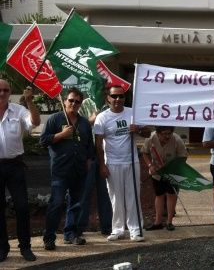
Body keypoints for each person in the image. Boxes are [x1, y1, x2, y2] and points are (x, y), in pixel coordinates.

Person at [40, 87, 94, 250]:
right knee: (56, 203)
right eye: (71, 100)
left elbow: (89, 145)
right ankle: (49, 237)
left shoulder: (84, 122)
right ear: (65, 101)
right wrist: (61, 135)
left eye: (77, 101)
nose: (74, 104)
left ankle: (71, 234)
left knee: (76, 203)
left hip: (79, 170)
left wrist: (89, 161)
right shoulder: (55, 119)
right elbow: (43, 140)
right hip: (61, 170)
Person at [94, 85, 149, 242]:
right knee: (116, 198)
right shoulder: (102, 117)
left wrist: (137, 129)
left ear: (125, 98)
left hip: (131, 161)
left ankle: (135, 230)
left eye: (121, 96)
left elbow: (147, 132)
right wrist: (102, 165)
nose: (118, 99)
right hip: (112, 162)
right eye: (114, 96)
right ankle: (118, 229)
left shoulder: (132, 113)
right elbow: (98, 144)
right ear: (108, 98)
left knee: (133, 196)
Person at [0, 81, 39, 261]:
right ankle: (2, 248)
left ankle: (25, 247)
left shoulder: (19, 110)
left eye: (6, 90)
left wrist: (30, 102)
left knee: (22, 207)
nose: (2, 93)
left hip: (15, 165)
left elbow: (35, 122)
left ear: (11, 92)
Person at [69, 93, 112, 237]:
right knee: (84, 194)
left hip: (105, 157)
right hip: (88, 157)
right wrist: (93, 118)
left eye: (103, 88)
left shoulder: (111, 106)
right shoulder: (85, 103)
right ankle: (78, 230)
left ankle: (108, 227)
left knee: (105, 194)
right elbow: (76, 126)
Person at [142, 126, 188, 232]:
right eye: (164, 134)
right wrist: (150, 165)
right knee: (159, 195)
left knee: (171, 195)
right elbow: (145, 152)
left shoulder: (177, 140)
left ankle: (169, 222)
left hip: (173, 172)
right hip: (157, 172)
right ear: (158, 133)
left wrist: (173, 168)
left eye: (169, 133)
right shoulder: (150, 138)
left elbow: (183, 156)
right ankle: (158, 222)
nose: (167, 136)